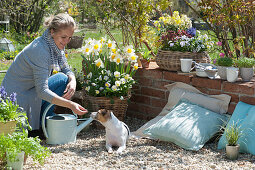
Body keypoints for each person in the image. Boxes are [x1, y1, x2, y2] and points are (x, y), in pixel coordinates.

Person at [1, 13, 88, 136]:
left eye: (70, 37)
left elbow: (65, 68)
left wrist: (73, 79)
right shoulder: (40, 50)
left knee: (63, 78)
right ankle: (36, 127)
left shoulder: (55, 45)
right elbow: (42, 91)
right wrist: (71, 105)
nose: (67, 41)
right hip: (17, 98)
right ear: (52, 31)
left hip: (31, 90)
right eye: (64, 37)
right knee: (61, 80)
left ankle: (44, 121)